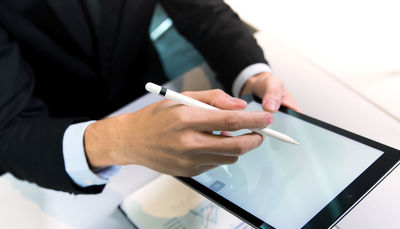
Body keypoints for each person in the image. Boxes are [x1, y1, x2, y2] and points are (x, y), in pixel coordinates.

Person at [0, 0, 298, 194]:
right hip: (51, 139)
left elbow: (201, 11)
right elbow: (9, 130)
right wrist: (117, 140)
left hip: (143, 84)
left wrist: (250, 72)